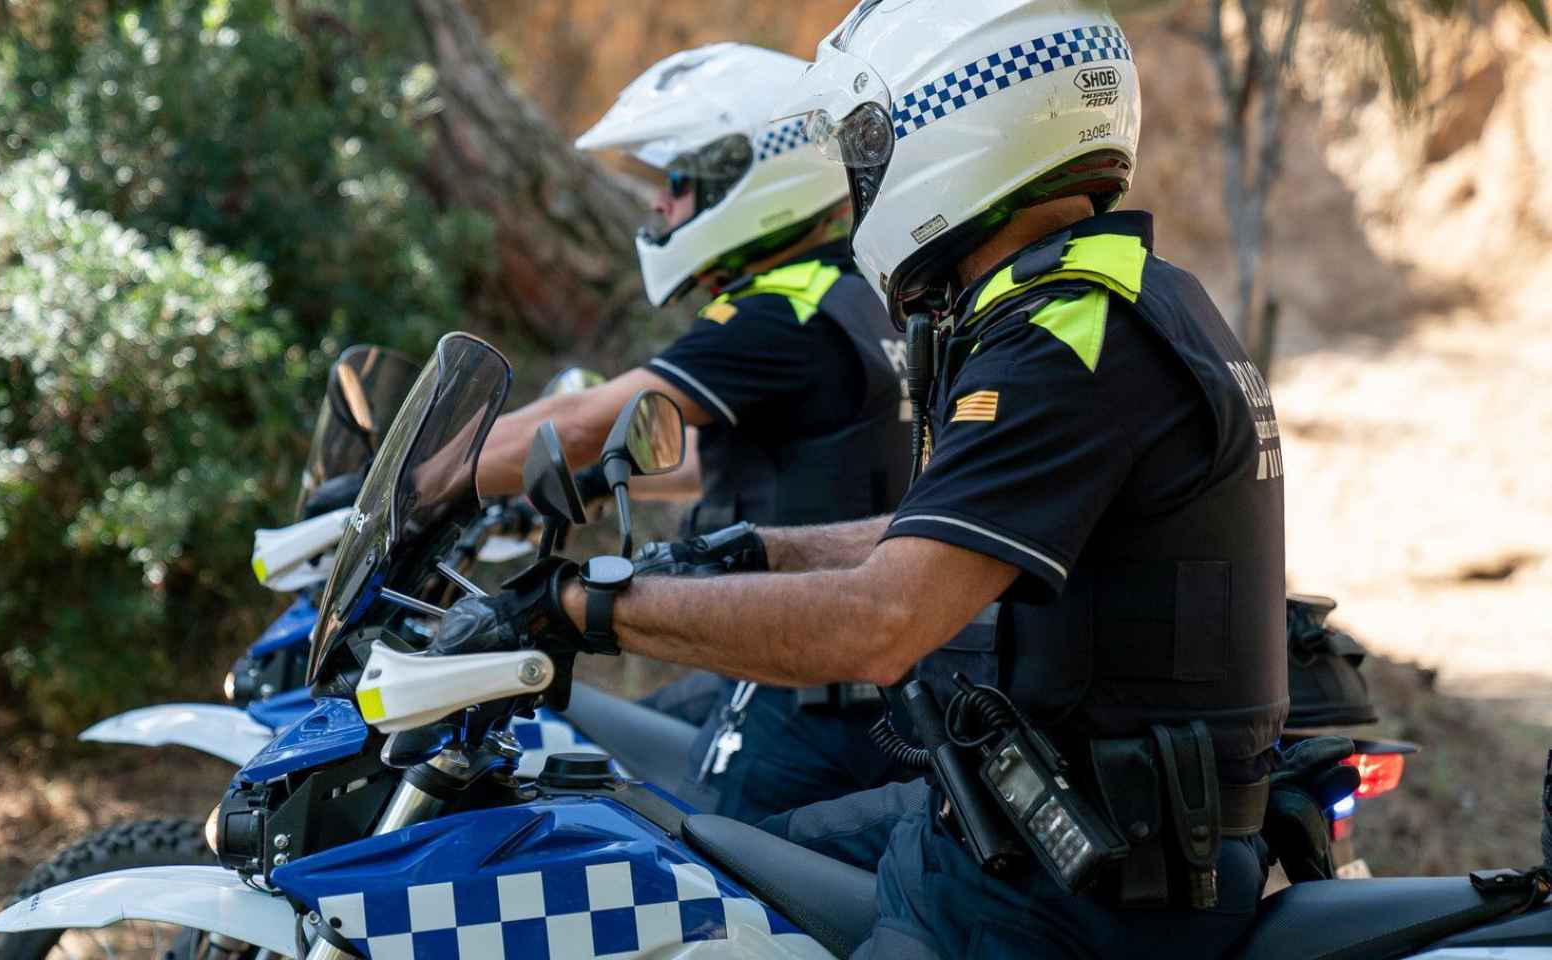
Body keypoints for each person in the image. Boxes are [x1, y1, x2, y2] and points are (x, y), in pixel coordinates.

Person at [435, 1, 1291, 957]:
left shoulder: (1065, 340)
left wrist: (586, 609)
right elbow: (939, 532)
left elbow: (879, 624)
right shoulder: (1125, 297)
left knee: (698, 903)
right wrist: (755, 550)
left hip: (1065, 892)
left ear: (961, 130)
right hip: (1025, 828)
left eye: (871, 143)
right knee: (700, 873)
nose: (859, 179)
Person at [470, 43, 921, 822]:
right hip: (829, 667)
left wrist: (426, 476)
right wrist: (570, 490)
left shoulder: (776, 313)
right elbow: (741, 458)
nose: (662, 208)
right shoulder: (852, 296)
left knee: (699, 881)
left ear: (753, 174)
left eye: (678, 185)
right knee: (614, 761)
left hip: (800, 675)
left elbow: (584, 420)